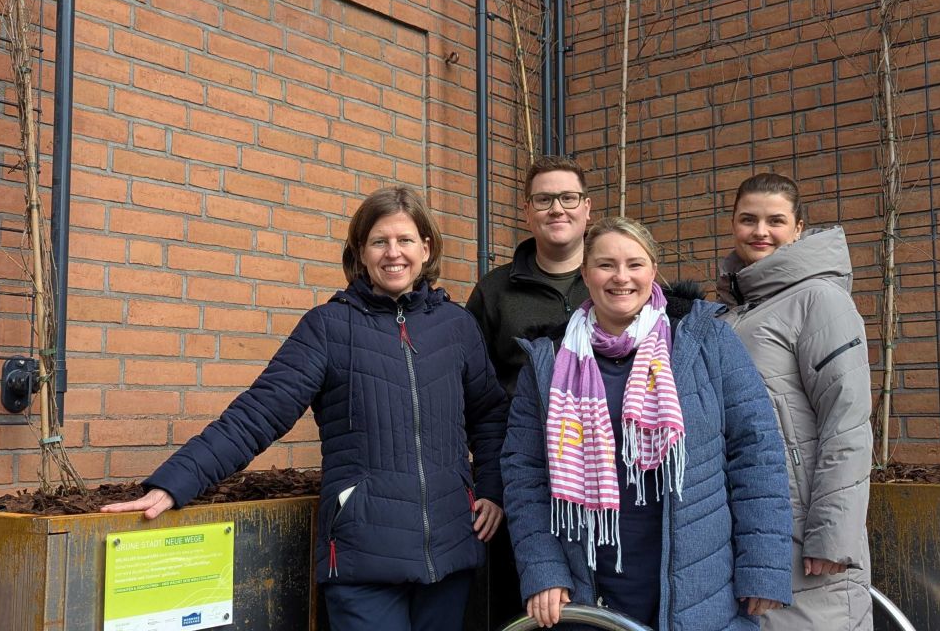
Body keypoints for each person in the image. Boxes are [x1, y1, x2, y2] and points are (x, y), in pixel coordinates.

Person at [102, 186, 509, 631]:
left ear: (425, 247)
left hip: (450, 556)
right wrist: (173, 484)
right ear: (360, 250)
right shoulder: (328, 327)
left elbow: (489, 415)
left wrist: (489, 487)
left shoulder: (457, 326)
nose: (393, 253)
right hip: (362, 562)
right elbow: (258, 414)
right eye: (379, 241)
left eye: (405, 240)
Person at [501, 217, 792, 630]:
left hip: (701, 585)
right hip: (591, 582)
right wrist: (542, 570)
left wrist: (763, 565)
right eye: (605, 265)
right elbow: (524, 473)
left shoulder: (706, 340)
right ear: (585, 273)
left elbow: (757, 453)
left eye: (634, 264)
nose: (621, 277)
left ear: (653, 271)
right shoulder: (548, 362)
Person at [716, 173, 874, 630]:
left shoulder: (819, 300)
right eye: (748, 219)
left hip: (805, 531)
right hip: (750, 522)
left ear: (799, 228)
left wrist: (832, 534)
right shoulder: (731, 311)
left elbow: (846, 420)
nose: (760, 231)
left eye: (775, 220)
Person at [465, 155, 592, 626]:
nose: (556, 208)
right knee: (531, 607)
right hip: (523, 479)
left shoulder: (618, 281)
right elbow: (474, 398)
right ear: (527, 211)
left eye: (567, 197)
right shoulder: (495, 292)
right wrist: (490, 485)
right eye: (544, 199)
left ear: (587, 208)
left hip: (604, 478)